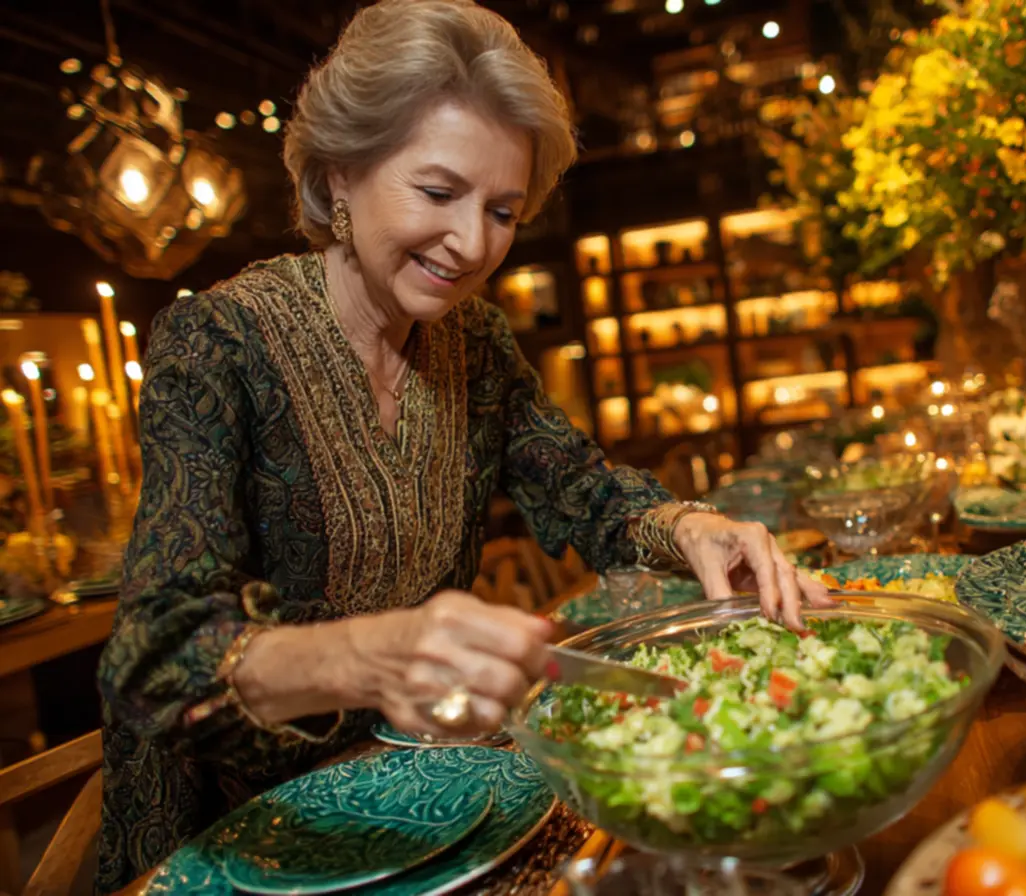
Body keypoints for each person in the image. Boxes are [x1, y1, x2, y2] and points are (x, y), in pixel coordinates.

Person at [94, 0, 832, 890]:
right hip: (233, 842)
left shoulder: (473, 342)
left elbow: (580, 487)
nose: (472, 243)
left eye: (504, 211)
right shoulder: (216, 342)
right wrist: (373, 654)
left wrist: (690, 528)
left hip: (433, 811)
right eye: (438, 194)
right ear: (337, 178)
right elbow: (154, 660)